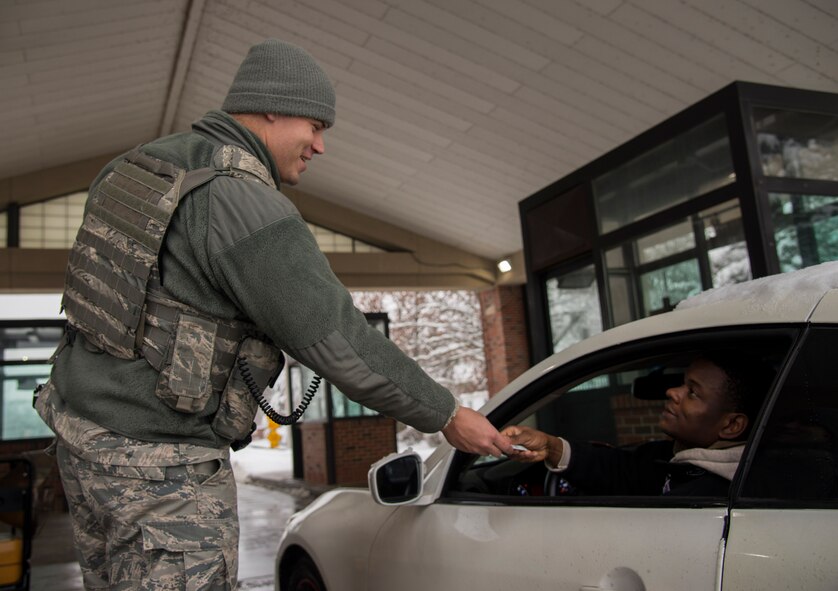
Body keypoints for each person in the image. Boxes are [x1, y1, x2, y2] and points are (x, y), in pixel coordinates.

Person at [35, 38, 512, 590]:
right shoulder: (241, 202)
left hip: (83, 444)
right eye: (315, 125)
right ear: (271, 106)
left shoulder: (132, 168)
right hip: (160, 471)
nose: (320, 145)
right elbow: (339, 341)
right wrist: (446, 413)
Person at [503, 353, 771, 496]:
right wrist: (550, 447)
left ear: (732, 425)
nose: (672, 392)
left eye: (693, 392)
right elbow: (624, 470)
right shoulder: (680, 461)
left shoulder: (711, 493)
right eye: (682, 383)